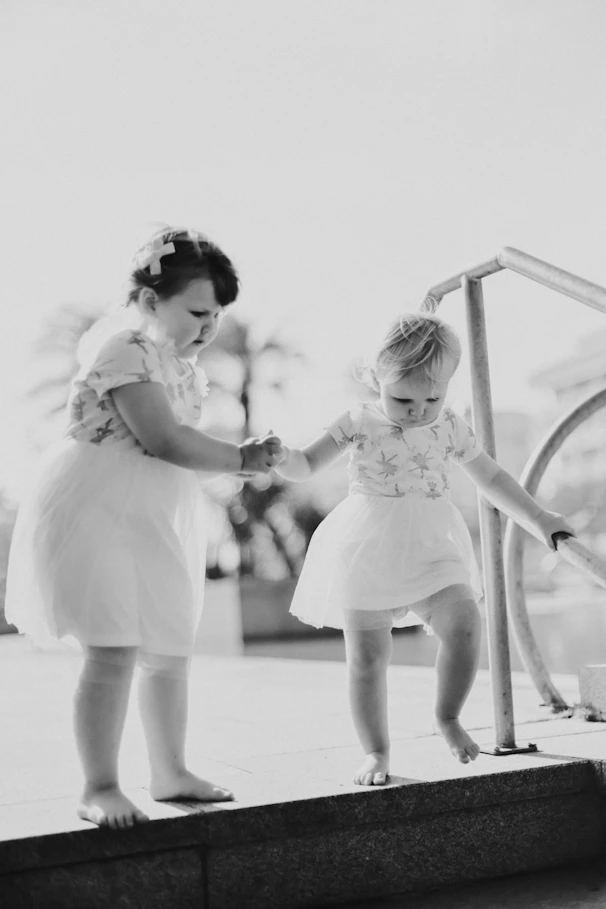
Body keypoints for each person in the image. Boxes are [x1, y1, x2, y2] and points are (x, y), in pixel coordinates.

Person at [5, 227, 281, 828]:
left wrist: (246, 465)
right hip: (97, 509)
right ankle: (99, 784)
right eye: (199, 311)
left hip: (153, 515)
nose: (209, 328)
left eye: (218, 316)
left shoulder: (177, 364)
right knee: (111, 649)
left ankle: (170, 769)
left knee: (167, 648)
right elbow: (163, 439)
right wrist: (241, 458)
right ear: (152, 300)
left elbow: (178, 451)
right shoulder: (123, 347)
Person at [275, 310, 574, 787]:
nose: (418, 410)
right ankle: (376, 750)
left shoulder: (450, 426)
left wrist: (539, 518)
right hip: (368, 549)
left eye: (433, 397)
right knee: (368, 658)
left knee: (465, 624)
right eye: (403, 398)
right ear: (376, 379)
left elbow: (492, 478)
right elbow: (306, 462)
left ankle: (447, 716)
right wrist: (280, 457)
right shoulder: (356, 421)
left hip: (433, 546)